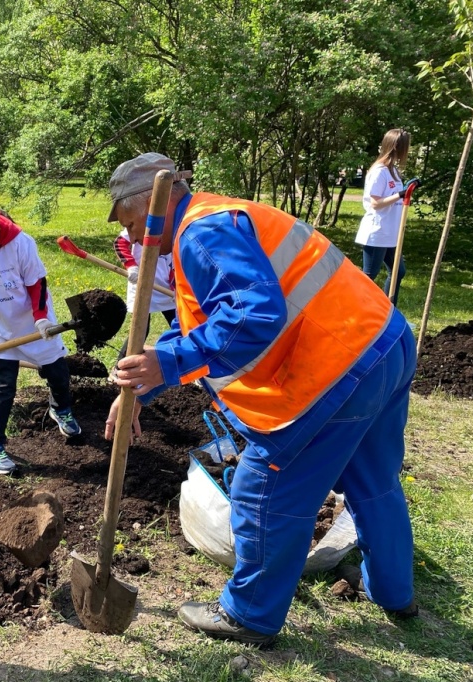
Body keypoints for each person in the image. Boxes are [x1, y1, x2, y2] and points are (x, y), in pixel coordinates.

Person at [105, 153, 418, 647]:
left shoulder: (199, 234)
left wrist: (167, 364)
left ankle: (249, 614)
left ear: (151, 202)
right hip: (381, 342)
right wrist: (149, 383)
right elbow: (206, 326)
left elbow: (254, 316)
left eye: (132, 224)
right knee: (372, 481)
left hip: (331, 370)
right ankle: (395, 593)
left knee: (261, 491)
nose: (136, 240)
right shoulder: (218, 216)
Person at [0, 185, 81, 475]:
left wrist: (40, 318)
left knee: (58, 374)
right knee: (4, 387)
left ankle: (60, 409)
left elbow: (37, 284)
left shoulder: (21, 244)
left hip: (39, 325)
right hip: (6, 332)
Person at [355, 128, 412, 305]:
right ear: (397, 147)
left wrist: (407, 191)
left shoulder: (393, 171)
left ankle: (388, 309)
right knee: (369, 275)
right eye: (406, 147)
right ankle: (358, 307)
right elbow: (375, 203)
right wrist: (400, 195)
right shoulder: (379, 171)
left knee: (398, 272)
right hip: (377, 231)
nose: (408, 151)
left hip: (391, 233)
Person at [113, 227, 176, 366]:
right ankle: (120, 367)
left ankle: (192, 369)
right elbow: (120, 243)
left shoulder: (173, 225)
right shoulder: (144, 223)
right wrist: (131, 266)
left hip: (166, 288)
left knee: (182, 326)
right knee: (140, 331)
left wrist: (177, 286)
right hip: (142, 285)